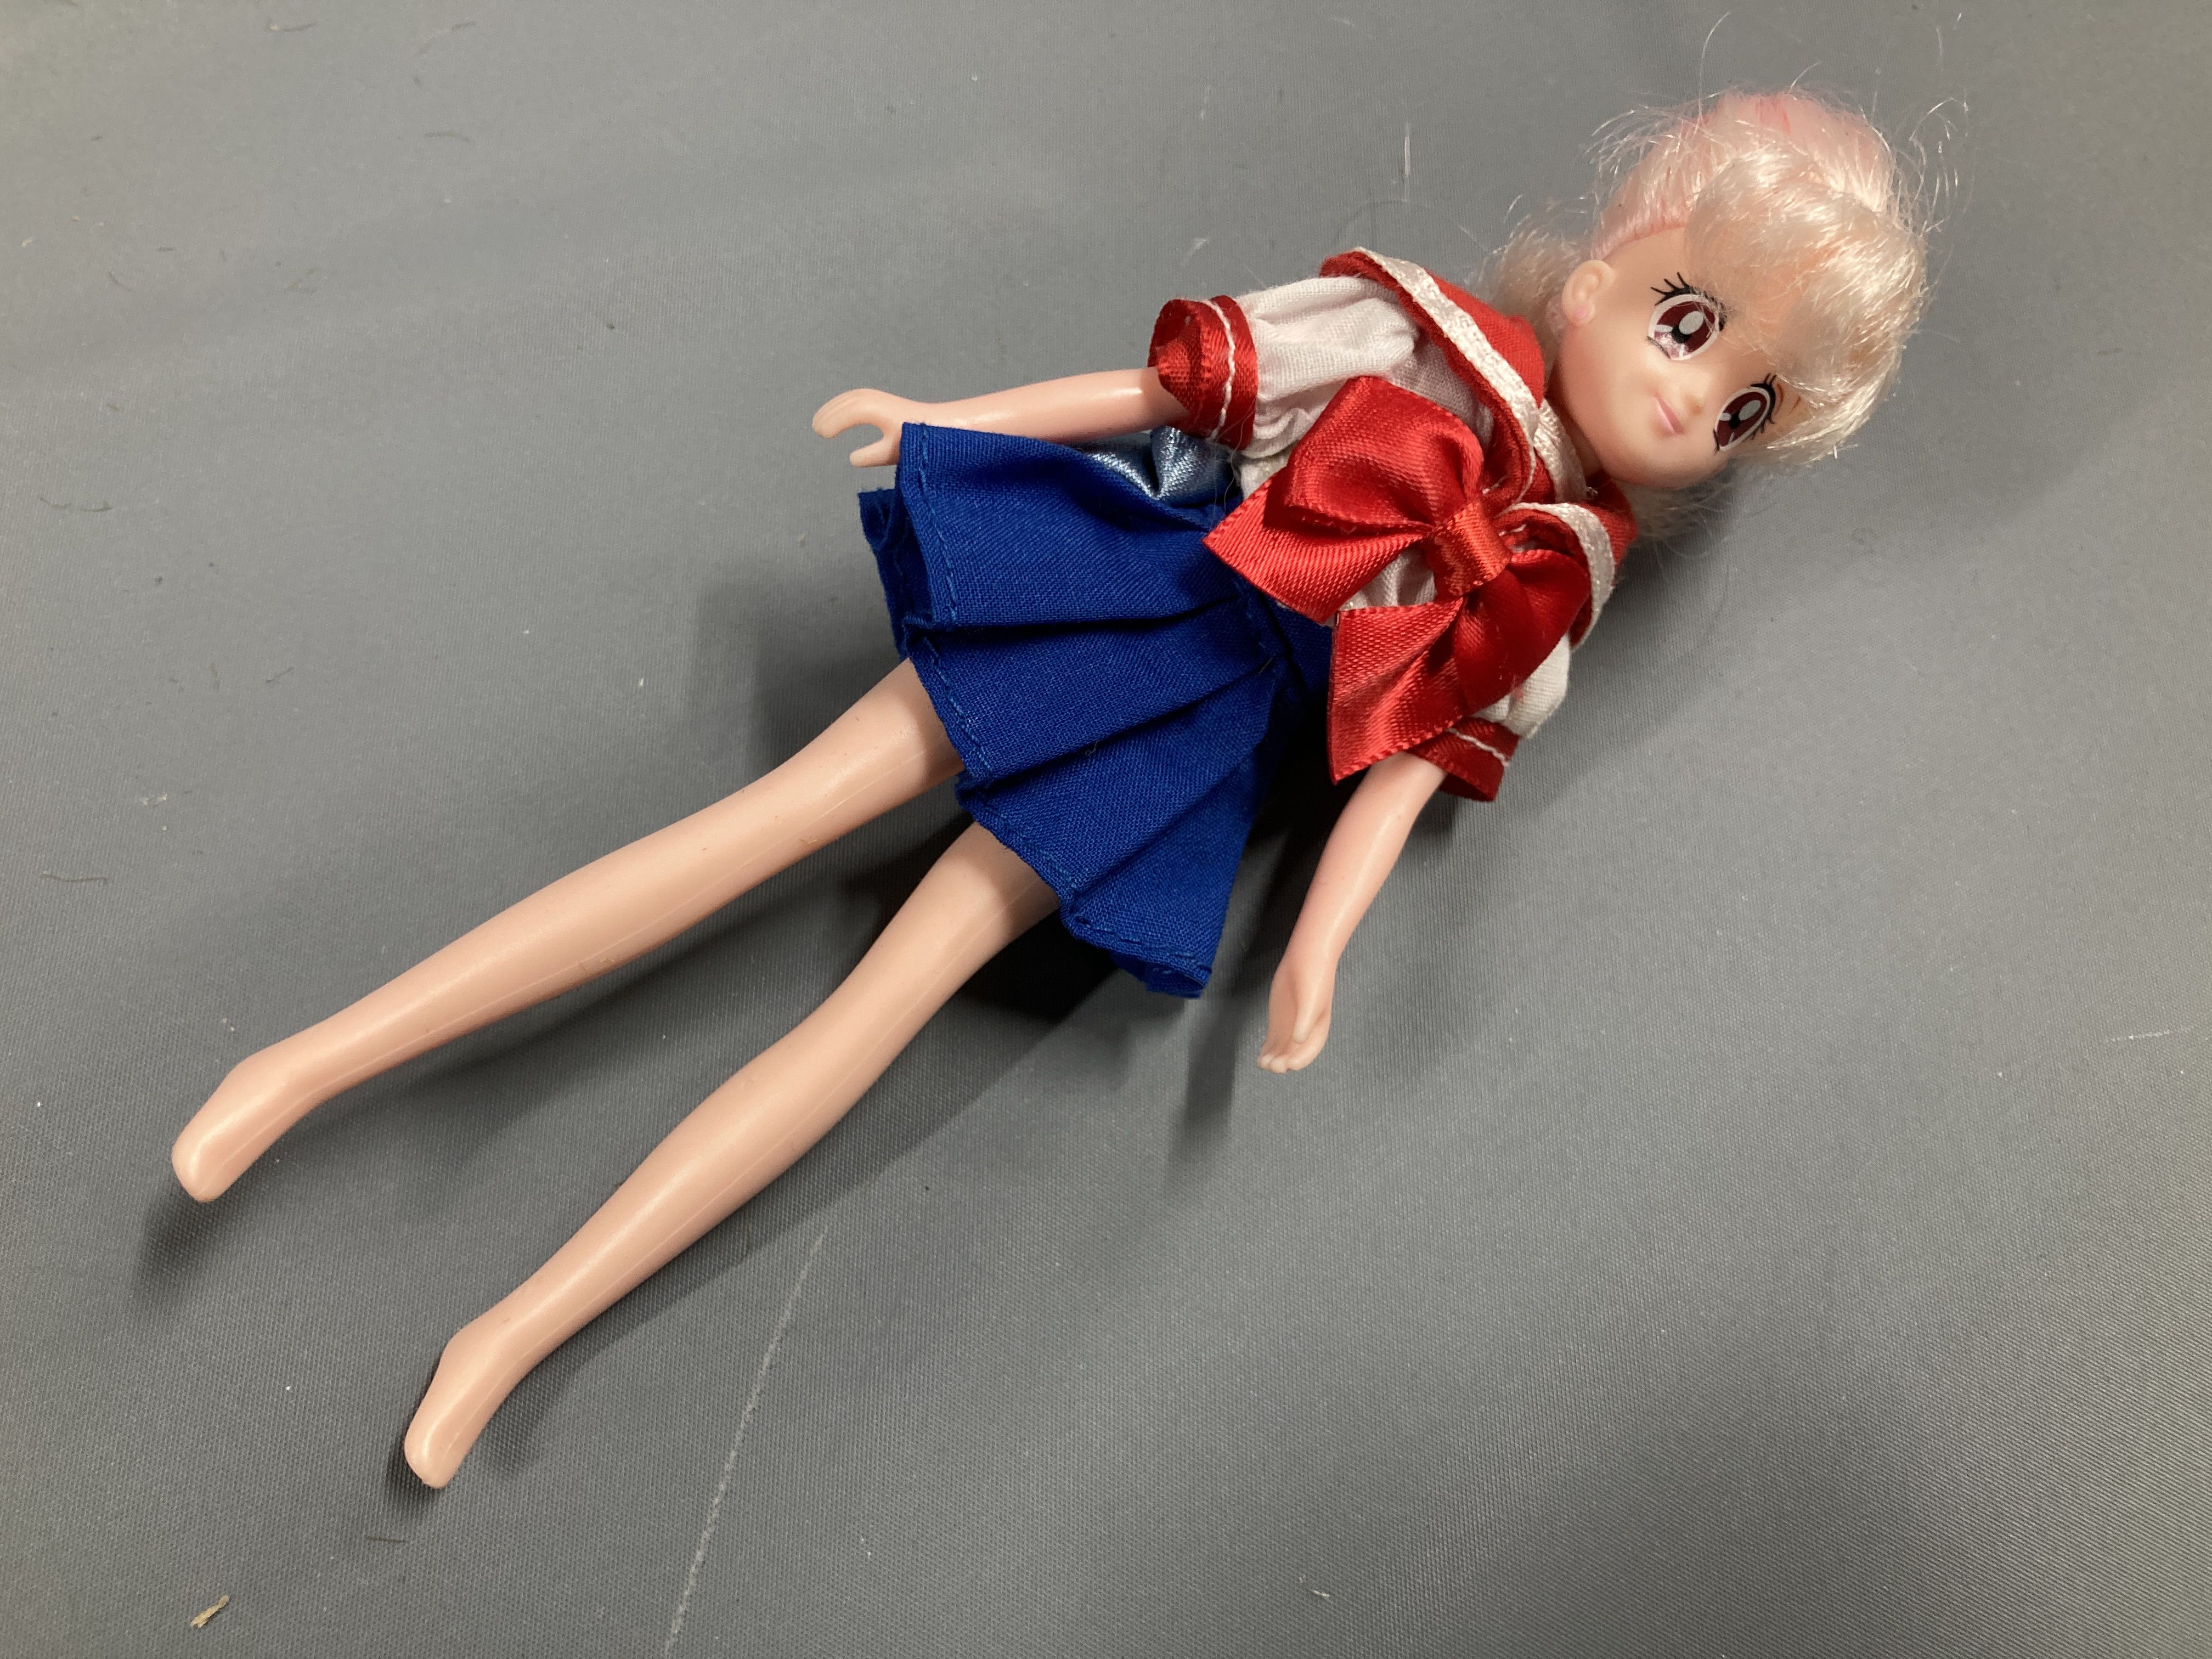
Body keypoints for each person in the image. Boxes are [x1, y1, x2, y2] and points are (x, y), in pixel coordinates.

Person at [168, 90, 1932, 1487]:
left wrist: (1318, 948)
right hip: (1123, 601)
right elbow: (1161, 392)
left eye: (1748, 404)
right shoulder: (1414, 340)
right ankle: (301, 1067)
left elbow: (1405, 761)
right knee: (758, 828)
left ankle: (514, 1333)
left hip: (1189, 758)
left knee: (882, 1006)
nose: (1695, 403)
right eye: (1694, 325)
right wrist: (956, 417)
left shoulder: (1565, 574)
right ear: (1613, 268)